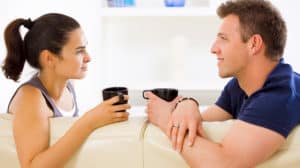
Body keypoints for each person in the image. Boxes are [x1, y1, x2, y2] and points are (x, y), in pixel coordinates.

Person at [145, 0, 300, 167]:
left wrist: (165, 119)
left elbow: (224, 164)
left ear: (254, 44)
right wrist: (187, 104)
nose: (213, 48)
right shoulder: (240, 85)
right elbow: (200, 124)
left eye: (224, 39)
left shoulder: (279, 95)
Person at [2, 13, 130, 167]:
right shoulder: (31, 97)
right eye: (79, 51)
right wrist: (89, 122)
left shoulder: (69, 86)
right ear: (49, 58)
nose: (88, 57)